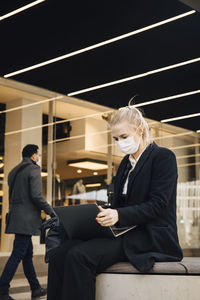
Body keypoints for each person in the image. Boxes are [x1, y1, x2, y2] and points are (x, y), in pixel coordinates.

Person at [47, 104, 183, 300]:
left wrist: (118, 214)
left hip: (149, 236)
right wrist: (103, 212)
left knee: (80, 256)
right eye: (116, 138)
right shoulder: (126, 165)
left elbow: (158, 204)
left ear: (140, 130)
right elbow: (120, 205)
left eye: (124, 137)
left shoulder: (163, 157)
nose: (120, 142)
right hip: (124, 232)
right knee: (60, 254)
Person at [0, 144, 56, 300]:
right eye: (38, 155)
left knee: (27, 254)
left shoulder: (13, 171)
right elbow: (36, 196)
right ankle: (2, 289)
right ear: (33, 156)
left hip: (16, 217)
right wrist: (52, 211)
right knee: (17, 254)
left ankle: (35, 288)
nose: (38, 157)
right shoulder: (33, 169)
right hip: (27, 220)